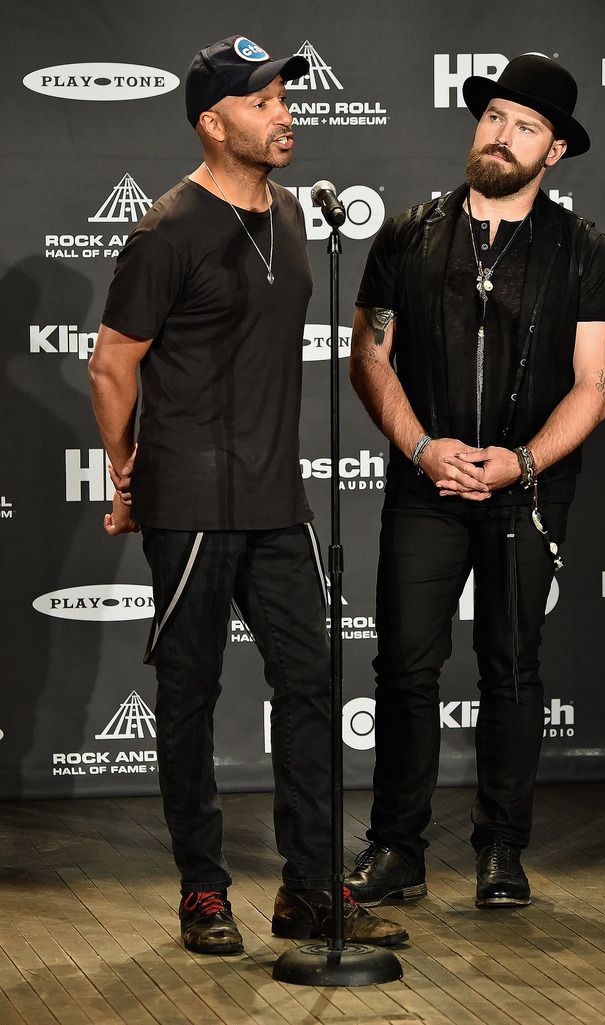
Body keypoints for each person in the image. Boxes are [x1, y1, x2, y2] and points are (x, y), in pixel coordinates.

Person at [88, 34, 406, 954]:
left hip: (279, 503)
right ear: (212, 121)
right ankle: (202, 889)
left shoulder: (297, 220)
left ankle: (310, 889)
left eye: (283, 98)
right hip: (187, 497)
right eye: (262, 101)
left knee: (309, 687)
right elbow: (113, 365)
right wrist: (126, 469)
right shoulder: (166, 229)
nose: (284, 113)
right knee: (187, 695)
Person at [346, 55, 605, 910]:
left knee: (510, 669)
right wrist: (425, 446)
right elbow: (369, 354)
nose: (502, 135)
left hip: (526, 491)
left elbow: (598, 381)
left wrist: (522, 461)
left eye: (526, 126)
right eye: (495, 115)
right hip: (423, 483)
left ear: (555, 153)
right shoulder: (405, 234)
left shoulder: (582, 251)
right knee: (404, 668)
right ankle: (396, 848)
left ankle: (501, 851)